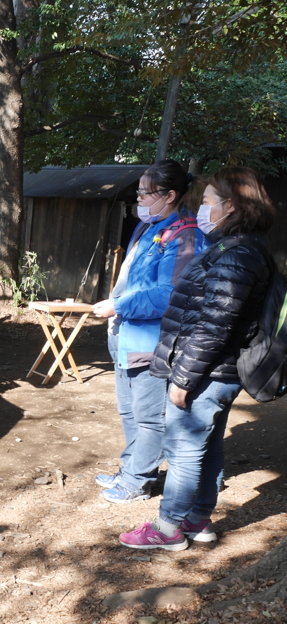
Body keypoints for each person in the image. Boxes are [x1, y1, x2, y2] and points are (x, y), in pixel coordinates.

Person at [120, 166, 278, 550]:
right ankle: (198, 519)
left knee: (185, 448)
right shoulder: (236, 248)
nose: (202, 209)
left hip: (208, 370)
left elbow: (214, 324)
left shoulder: (238, 255)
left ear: (232, 205)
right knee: (206, 446)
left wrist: (183, 378)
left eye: (208, 202)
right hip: (215, 369)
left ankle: (169, 528)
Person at [92, 161, 204, 503]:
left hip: (154, 341)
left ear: (169, 195)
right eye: (138, 191)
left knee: (149, 417)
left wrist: (119, 306)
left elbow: (170, 295)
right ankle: (130, 470)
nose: (139, 198)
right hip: (126, 336)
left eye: (145, 192)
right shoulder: (148, 226)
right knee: (128, 411)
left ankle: (138, 481)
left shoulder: (185, 235)